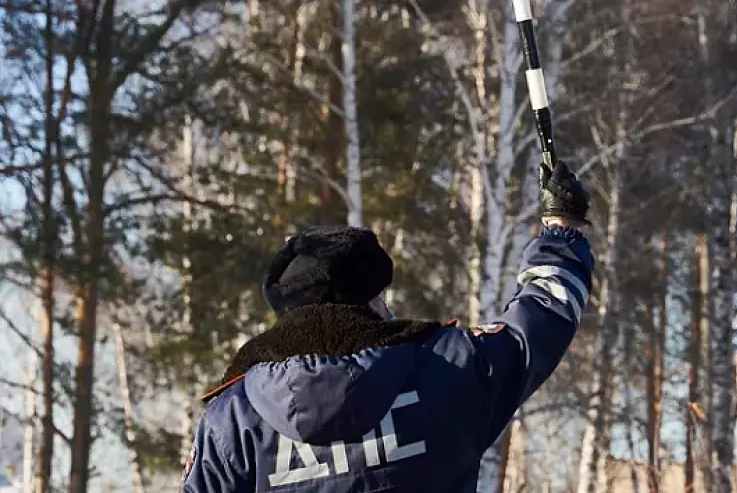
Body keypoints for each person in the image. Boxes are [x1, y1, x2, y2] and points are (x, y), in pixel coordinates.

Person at [179, 161, 594, 492]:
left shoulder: (232, 418)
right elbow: (541, 317)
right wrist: (561, 228)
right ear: (373, 301)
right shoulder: (448, 371)